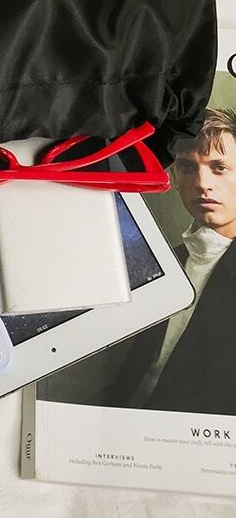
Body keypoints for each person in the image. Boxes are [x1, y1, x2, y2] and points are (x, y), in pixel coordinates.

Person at [112, 107, 236, 414]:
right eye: (187, 167)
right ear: (174, 178)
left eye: (219, 167)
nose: (202, 183)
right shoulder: (169, 261)